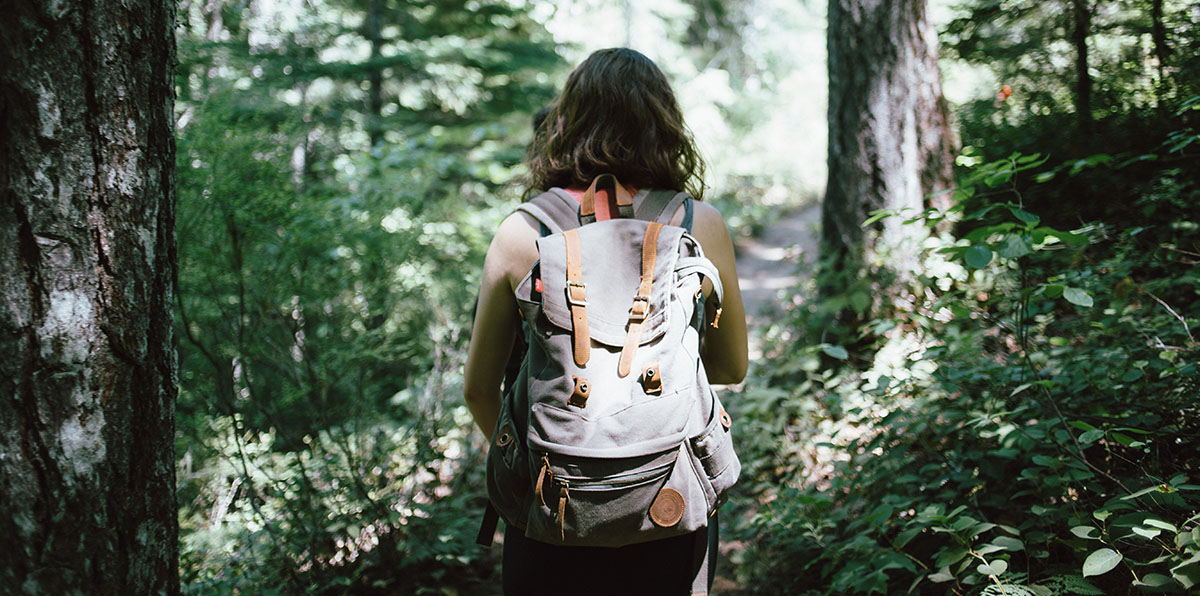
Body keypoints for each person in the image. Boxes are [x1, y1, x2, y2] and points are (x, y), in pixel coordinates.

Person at [464, 47, 748, 595]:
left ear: (566, 123)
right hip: (669, 501)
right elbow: (730, 367)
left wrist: (542, 465)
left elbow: (479, 390)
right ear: (664, 125)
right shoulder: (698, 224)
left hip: (551, 510)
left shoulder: (522, 233)